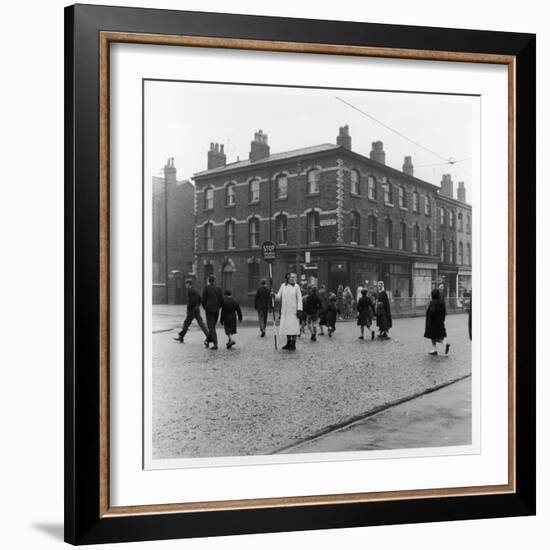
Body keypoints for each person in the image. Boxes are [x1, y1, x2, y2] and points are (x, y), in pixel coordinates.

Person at [173, 279, 210, 343]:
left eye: (186, 284)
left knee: (186, 323)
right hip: (197, 309)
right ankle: (209, 336)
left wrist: (189, 307)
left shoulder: (189, 291)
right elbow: (200, 298)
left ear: (188, 284)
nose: (185, 285)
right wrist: (197, 306)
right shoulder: (195, 290)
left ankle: (181, 337)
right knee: (201, 323)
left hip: (192, 310)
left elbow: (191, 301)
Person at [275, 272, 303, 351]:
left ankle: (293, 343)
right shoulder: (283, 286)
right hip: (285, 311)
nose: (293, 279)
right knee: (287, 327)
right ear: (287, 278)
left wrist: (299, 309)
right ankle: (288, 342)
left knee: (293, 328)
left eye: (294, 278)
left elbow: (300, 299)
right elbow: (278, 297)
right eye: (291, 277)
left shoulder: (296, 287)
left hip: (293, 311)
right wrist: (274, 295)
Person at [424, 288, 450, 356]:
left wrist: (429, 321)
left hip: (433, 323)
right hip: (440, 323)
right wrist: (442, 320)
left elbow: (431, 312)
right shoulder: (441, 303)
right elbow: (444, 312)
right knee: (438, 337)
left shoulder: (432, 303)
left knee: (433, 337)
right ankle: (445, 344)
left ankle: (435, 350)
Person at [201, 275, 223, 350]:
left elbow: (203, 299)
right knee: (212, 326)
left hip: (209, 310)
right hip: (216, 310)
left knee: (211, 327)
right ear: (214, 281)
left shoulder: (206, 288)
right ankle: (207, 340)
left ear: (208, 281)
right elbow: (221, 300)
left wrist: (205, 307)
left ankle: (215, 343)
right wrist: (219, 307)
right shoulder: (219, 289)